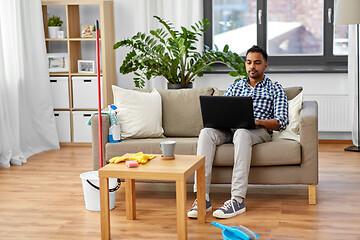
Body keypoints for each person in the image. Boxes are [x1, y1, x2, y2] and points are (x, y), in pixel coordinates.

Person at [188, 45, 289, 219]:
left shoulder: (275, 88)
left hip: (257, 131)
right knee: (206, 132)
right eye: (249, 62)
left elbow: (281, 121)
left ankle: (237, 199)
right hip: (230, 129)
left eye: (257, 63)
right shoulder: (236, 86)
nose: (252, 66)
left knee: (242, 132)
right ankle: (202, 197)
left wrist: (257, 122)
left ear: (265, 65)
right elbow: (223, 110)